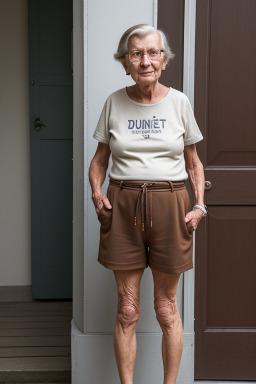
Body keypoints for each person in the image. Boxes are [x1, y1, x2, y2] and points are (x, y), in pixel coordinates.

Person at [89, 24, 207, 384]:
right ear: (125, 62)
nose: (145, 61)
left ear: (164, 60)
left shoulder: (179, 102)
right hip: (123, 205)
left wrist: (199, 205)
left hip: (170, 204)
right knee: (127, 310)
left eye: (153, 52)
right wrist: (97, 193)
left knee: (167, 309)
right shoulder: (114, 101)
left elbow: (193, 162)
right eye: (136, 53)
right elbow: (99, 161)